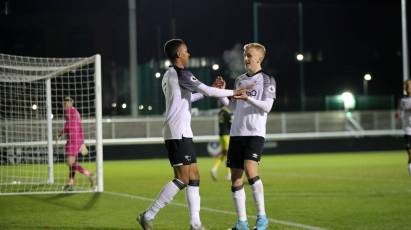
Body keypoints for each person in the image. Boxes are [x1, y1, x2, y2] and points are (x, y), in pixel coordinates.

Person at [137, 38, 246, 230]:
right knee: (182, 178)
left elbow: (193, 96)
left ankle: (195, 224)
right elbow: (207, 91)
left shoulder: (171, 75)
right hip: (177, 132)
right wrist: (234, 92)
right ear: (178, 54)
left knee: (194, 176)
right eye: (186, 51)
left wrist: (213, 90)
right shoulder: (179, 73)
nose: (189, 54)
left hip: (183, 132)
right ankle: (148, 215)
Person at [217, 43, 275, 230]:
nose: (246, 59)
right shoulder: (240, 80)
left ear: (259, 58)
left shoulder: (267, 80)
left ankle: (262, 218)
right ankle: (242, 222)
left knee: (251, 170)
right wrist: (222, 93)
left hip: (254, 133)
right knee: (235, 178)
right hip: (237, 133)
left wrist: (247, 98)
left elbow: (267, 107)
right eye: (245, 55)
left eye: (249, 55)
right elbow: (232, 106)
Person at [57, 96, 95, 191]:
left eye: (66, 103)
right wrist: (81, 143)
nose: (64, 104)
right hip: (76, 140)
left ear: (71, 103)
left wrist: (61, 134)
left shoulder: (70, 112)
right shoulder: (75, 112)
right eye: (64, 103)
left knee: (70, 162)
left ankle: (89, 174)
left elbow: (69, 126)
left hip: (73, 140)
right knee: (72, 164)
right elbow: (75, 126)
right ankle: (70, 183)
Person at [210, 104, 233, 181]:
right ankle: (229, 175)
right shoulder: (228, 112)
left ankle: (214, 168)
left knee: (224, 154)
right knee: (229, 155)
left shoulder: (220, 112)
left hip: (221, 135)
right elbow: (231, 124)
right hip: (227, 135)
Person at [397, 79, 411, 175]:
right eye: (408, 85)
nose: (409, 87)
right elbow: (400, 113)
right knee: (410, 152)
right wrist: (398, 115)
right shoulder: (403, 100)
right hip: (408, 130)